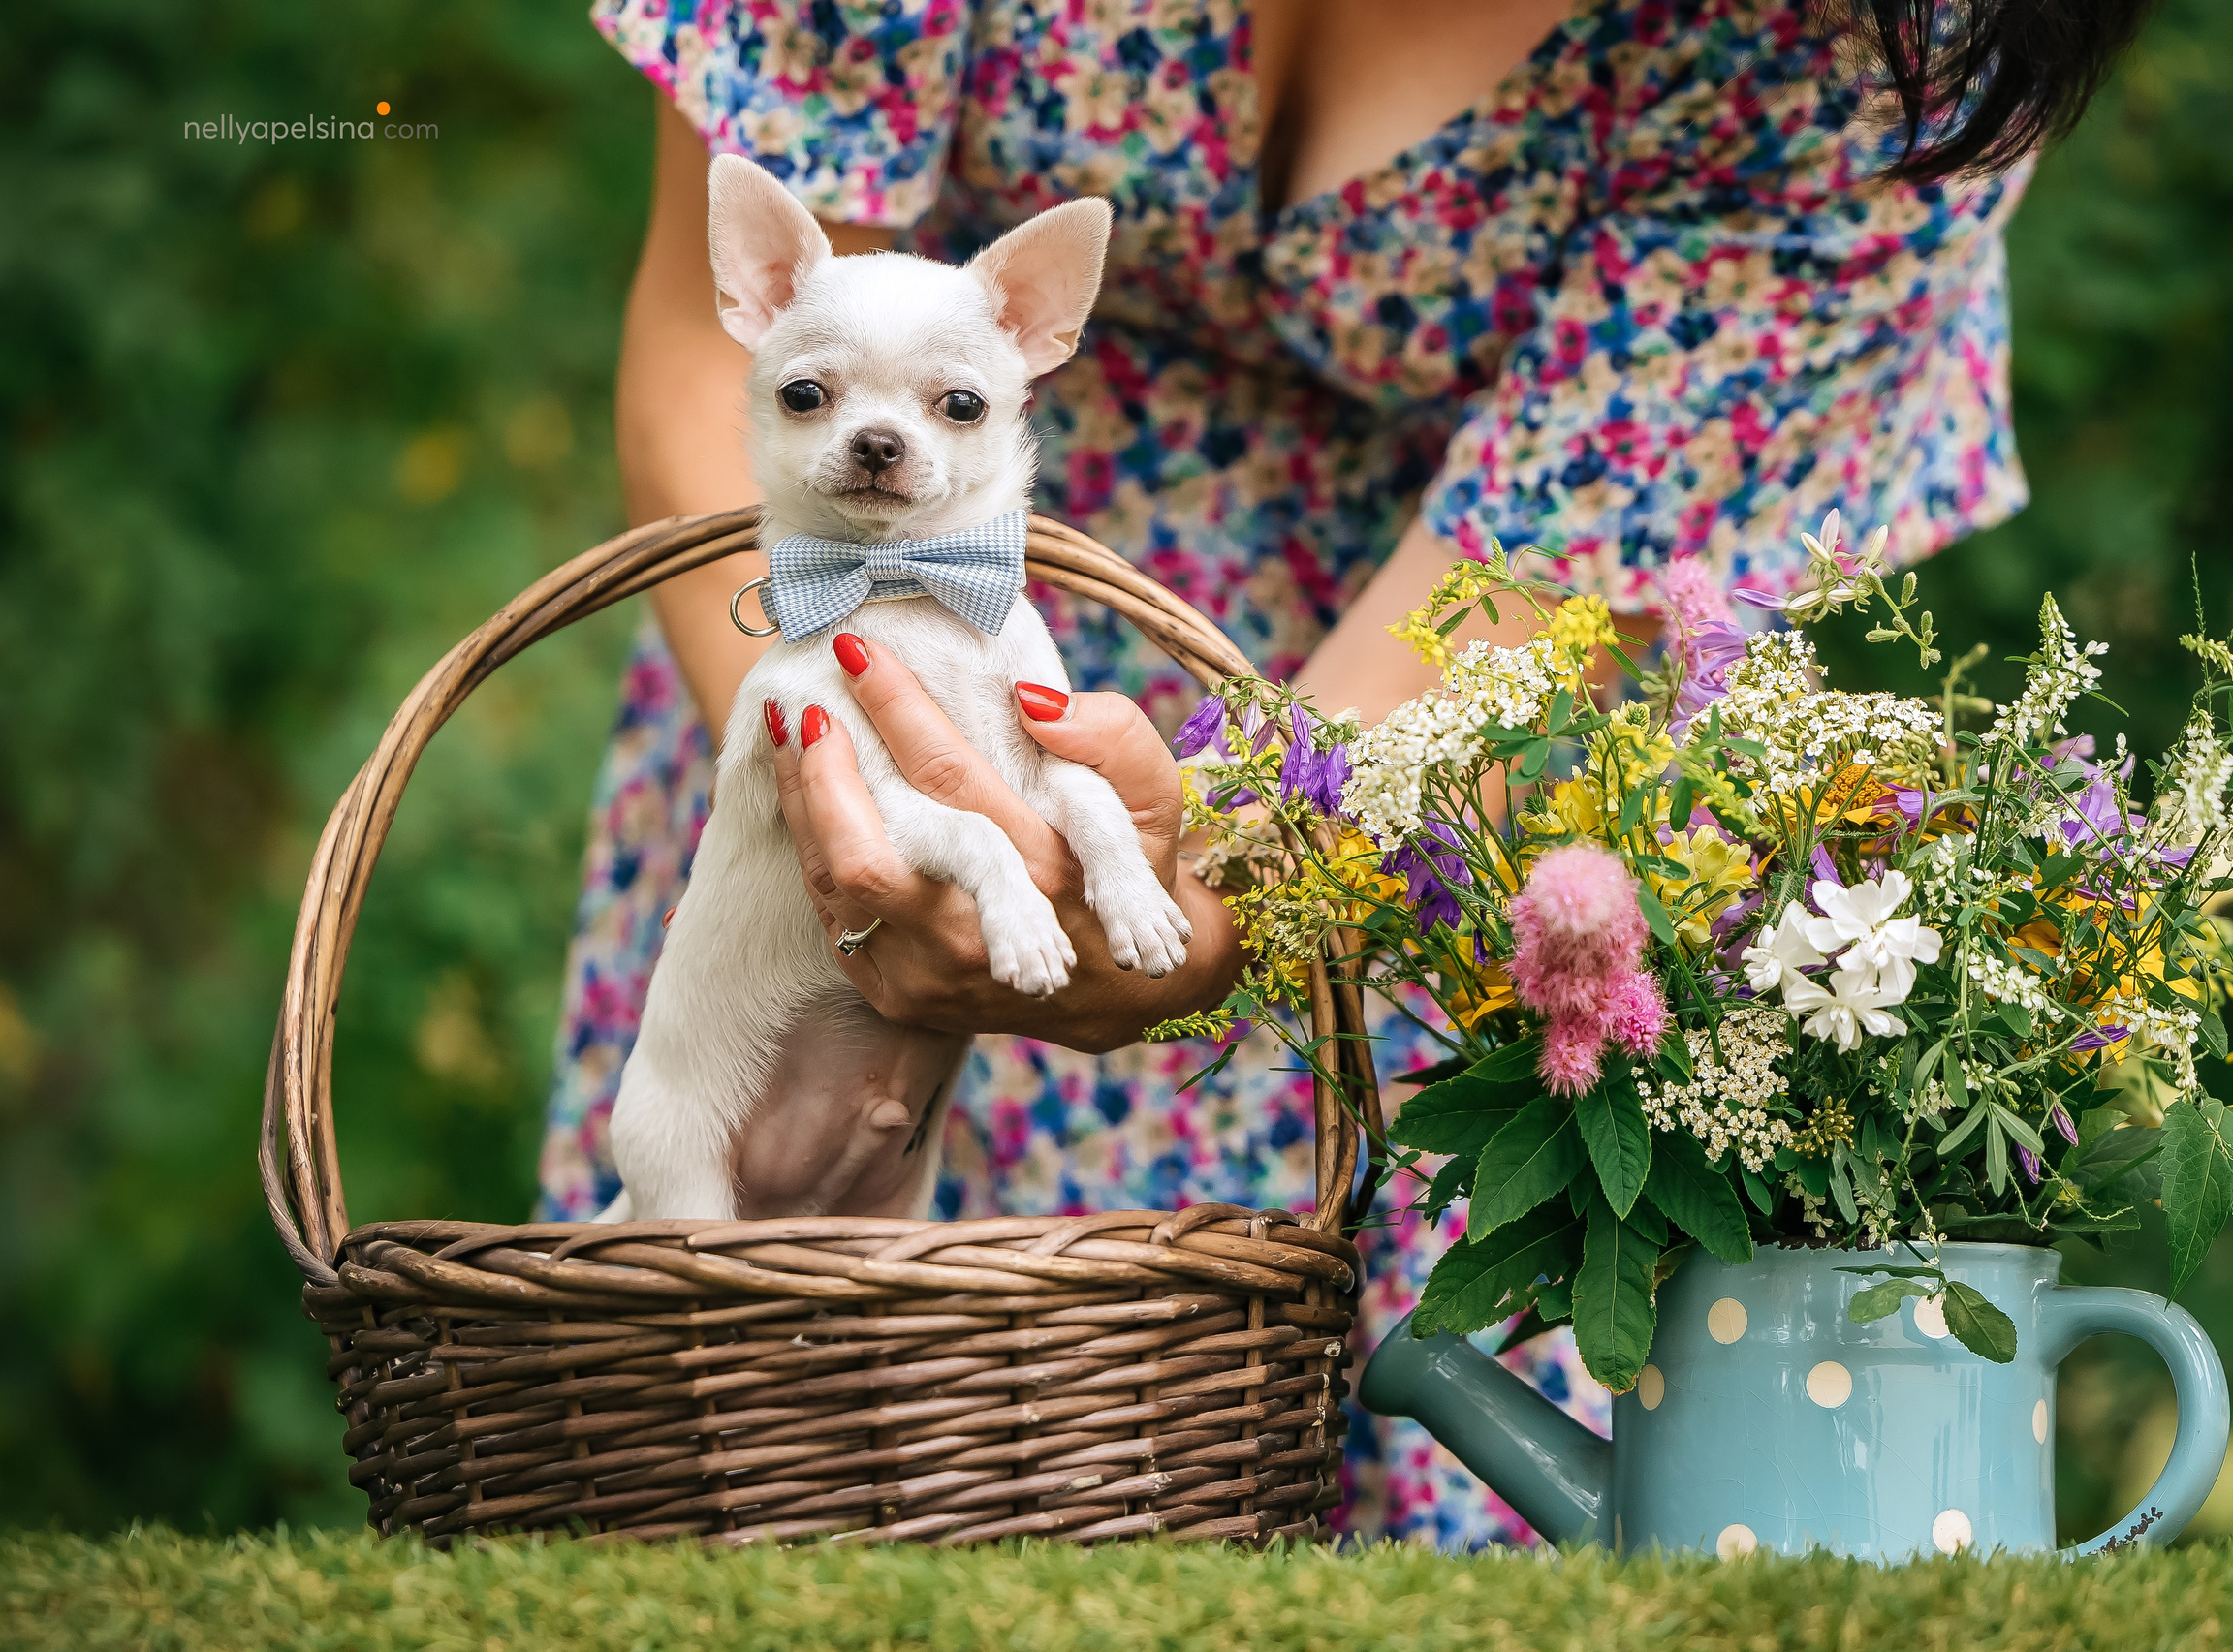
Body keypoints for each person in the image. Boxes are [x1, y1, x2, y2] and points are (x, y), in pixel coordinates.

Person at [544, 0, 2150, 1545]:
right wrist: (815, 768)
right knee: (721, 1438)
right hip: (807, 674)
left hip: (1383, 839)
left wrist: (1237, 880)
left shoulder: (1861, 55)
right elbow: (726, 350)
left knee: (1250, 1489)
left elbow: (1552, 578)